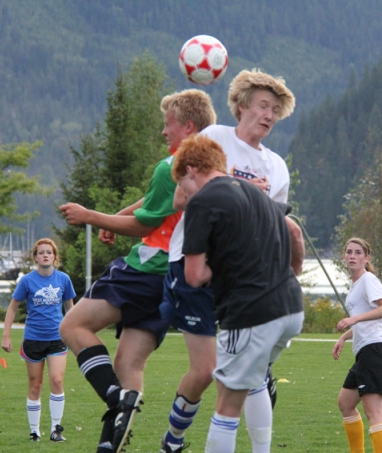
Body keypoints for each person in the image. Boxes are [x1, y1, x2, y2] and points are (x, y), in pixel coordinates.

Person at [58, 89, 216, 453]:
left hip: (146, 268)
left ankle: (115, 397)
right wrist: (120, 216)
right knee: (128, 361)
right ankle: (110, 445)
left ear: (188, 126)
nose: (164, 132)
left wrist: (91, 216)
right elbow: (154, 203)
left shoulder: (170, 165)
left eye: (168, 125)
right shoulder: (210, 166)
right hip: (173, 280)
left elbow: (148, 225)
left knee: (72, 326)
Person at [159, 68, 302, 453]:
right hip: (194, 264)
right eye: (262, 106)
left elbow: (276, 229)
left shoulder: (276, 166)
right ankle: (173, 440)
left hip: (243, 279)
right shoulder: (214, 138)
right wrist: (236, 189)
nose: (268, 115)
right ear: (241, 106)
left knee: (249, 372)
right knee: (208, 370)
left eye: (275, 109)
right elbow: (179, 200)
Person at [1, 238, 76, 442]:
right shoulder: (27, 281)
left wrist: (76, 334)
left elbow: (71, 310)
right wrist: (6, 335)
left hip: (57, 339)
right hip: (33, 339)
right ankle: (34, 431)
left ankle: (55, 429)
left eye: (49, 252)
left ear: (54, 256)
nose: (45, 255)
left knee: (57, 380)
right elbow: (13, 308)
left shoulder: (63, 279)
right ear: (35, 257)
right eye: (41, 252)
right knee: (35, 384)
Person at [332, 237, 382, 453]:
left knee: (373, 411)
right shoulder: (355, 285)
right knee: (346, 403)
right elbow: (365, 319)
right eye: (349, 252)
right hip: (364, 351)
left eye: (357, 252)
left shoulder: (368, 280)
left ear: (366, 258)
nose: (352, 256)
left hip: (375, 349)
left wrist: (354, 319)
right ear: (344, 256)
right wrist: (344, 337)